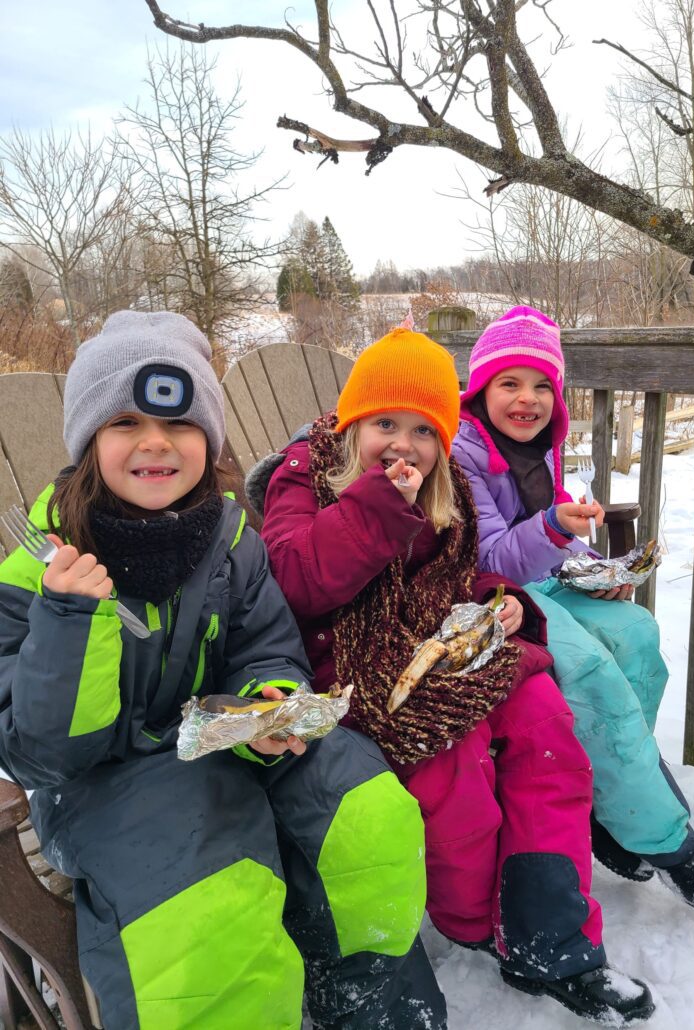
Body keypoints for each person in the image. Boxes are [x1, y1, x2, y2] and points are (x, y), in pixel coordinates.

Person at [0, 311, 446, 1030]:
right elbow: (42, 755)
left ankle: (366, 999)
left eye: (179, 426)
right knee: (208, 906)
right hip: (106, 786)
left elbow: (266, 644)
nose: (155, 443)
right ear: (87, 441)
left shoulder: (230, 539)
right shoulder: (36, 574)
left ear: (208, 439)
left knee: (361, 805)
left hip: (226, 743)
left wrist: (270, 702)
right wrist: (69, 621)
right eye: (125, 424)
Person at [254, 324, 655, 1026]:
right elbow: (294, 581)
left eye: (422, 430)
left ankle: (550, 940)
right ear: (351, 426)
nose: (401, 444)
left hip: (448, 647)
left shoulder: (446, 491)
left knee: (546, 727)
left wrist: (505, 605)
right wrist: (378, 508)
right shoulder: (305, 477)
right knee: (455, 770)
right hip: (360, 674)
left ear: (444, 440)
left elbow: (470, 569)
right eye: (383, 423)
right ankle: (473, 921)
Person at [452, 305, 694, 913]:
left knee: (637, 634)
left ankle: (607, 812)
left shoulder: (541, 446)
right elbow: (495, 555)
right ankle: (664, 839)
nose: (526, 399)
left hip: (539, 580)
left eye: (541, 386)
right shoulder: (464, 454)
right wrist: (557, 528)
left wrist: (595, 572)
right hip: (488, 596)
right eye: (509, 383)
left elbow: (557, 529)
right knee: (588, 669)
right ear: (482, 390)